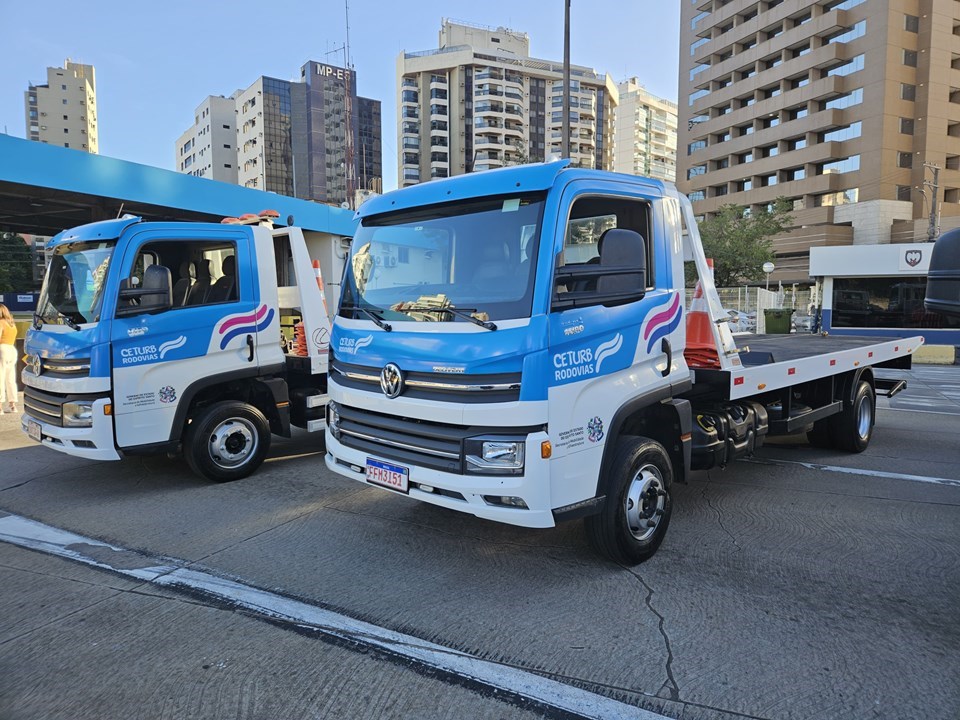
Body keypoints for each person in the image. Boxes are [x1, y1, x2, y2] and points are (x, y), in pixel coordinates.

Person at [0, 304, 17, 414]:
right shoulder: (12, 323)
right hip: (12, 350)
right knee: (11, 379)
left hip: (2, 349)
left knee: (0, 379)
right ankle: (13, 405)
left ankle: (0, 407)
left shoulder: (0, 322)